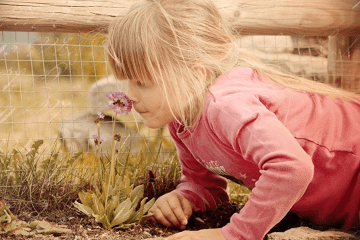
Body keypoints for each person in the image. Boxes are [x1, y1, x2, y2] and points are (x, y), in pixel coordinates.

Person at [105, 0, 360, 239]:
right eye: (127, 81)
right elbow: (206, 185)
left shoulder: (226, 106)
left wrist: (233, 234)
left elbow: (292, 168)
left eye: (142, 83)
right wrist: (185, 197)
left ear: (195, 77)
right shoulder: (181, 120)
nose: (129, 95)